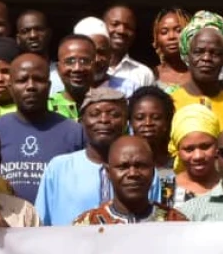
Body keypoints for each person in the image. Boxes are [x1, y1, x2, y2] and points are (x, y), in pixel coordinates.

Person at [37, 87, 158, 226]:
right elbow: (40, 223)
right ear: (81, 121)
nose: (104, 120)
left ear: (126, 122)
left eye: (114, 114)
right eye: (95, 114)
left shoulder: (142, 169)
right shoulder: (59, 167)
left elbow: (156, 219)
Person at [0, 53, 85, 203]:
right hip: (6, 222)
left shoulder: (74, 132)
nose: (31, 87)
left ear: (49, 86)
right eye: (22, 80)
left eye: (38, 80)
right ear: (10, 87)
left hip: (58, 225)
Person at [74, 136, 187, 225]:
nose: (133, 173)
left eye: (141, 166)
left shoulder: (175, 223)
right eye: (123, 167)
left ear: (153, 171)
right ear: (108, 173)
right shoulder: (87, 225)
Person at [169, 11, 223, 132]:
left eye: (215, 53)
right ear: (187, 55)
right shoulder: (169, 101)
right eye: (198, 52)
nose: (206, 58)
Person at [129, 86, 176, 201]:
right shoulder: (125, 166)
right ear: (130, 122)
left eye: (156, 118)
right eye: (140, 118)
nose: (148, 123)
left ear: (167, 122)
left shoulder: (177, 166)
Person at [170, 104, 221, 205]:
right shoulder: (166, 190)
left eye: (205, 147)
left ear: (217, 146)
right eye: (189, 149)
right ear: (178, 151)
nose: (198, 156)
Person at [104, 5, 157, 90]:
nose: (121, 30)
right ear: (102, 27)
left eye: (128, 27)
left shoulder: (143, 73)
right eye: (115, 24)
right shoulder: (88, 68)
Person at [49, 34, 97, 120]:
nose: (77, 68)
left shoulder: (108, 107)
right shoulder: (46, 108)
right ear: (58, 69)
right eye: (70, 61)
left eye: (84, 61)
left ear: (95, 66)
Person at [16, 9, 62, 91]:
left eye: (39, 29)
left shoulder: (62, 73)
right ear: (18, 39)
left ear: (49, 34)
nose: (33, 35)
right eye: (25, 31)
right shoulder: (13, 74)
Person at [153, 8, 190, 88]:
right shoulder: (150, 75)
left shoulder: (200, 74)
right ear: (156, 38)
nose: (171, 37)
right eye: (164, 32)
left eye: (178, 30)